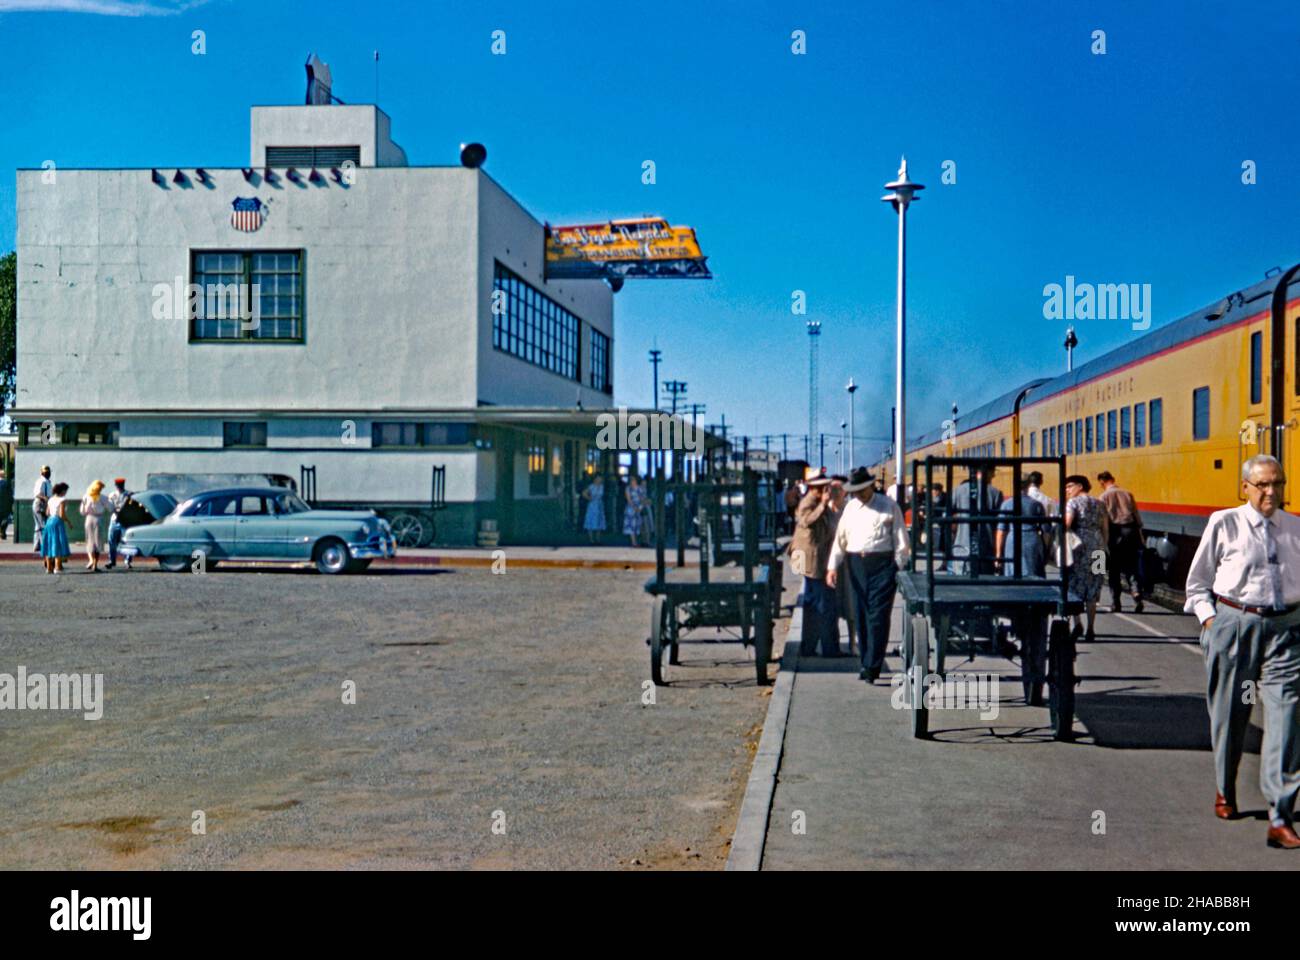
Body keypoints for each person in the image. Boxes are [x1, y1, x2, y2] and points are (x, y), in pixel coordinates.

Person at [1184, 454, 1300, 850]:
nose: (1272, 492)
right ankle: (1224, 788)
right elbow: (1197, 583)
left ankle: (1280, 815)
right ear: (1245, 487)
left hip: (1286, 631)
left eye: (1278, 484)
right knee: (1231, 714)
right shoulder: (1224, 523)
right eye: (1263, 485)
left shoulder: (1296, 528)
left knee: (1286, 719)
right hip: (1234, 626)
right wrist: (1210, 622)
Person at [827, 466, 910, 683]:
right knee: (861, 614)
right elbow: (840, 539)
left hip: (882, 564)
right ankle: (866, 662)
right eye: (855, 491)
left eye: (862, 490)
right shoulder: (851, 508)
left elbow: (901, 539)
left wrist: (897, 567)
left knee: (878, 616)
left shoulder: (889, 506)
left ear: (872, 485)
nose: (859, 495)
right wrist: (832, 567)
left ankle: (873, 666)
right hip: (856, 564)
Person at [995, 477, 1051, 703]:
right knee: (1033, 575)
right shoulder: (1037, 504)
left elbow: (1001, 531)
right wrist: (1046, 551)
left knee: (1013, 575)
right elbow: (1046, 531)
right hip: (1032, 542)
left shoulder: (1007, 504)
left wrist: (998, 556)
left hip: (1013, 542)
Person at [790, 468, 840, 657]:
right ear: (814, 488)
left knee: (816, 604)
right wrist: (823, 506)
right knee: (821, 605)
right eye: (823, 488)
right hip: (813, 562)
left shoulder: (818, 502)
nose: (826, 491)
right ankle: (827, 648)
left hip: (818, 560)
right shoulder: (808, 503)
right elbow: (806, 521)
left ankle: (813, 646)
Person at [1063, 474, 1108, 641]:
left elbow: (1067, 523)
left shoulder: (1073, 503)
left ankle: (1078, 624)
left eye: (1069, 486)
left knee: (1074, 586)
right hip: (1099, 549)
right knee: (1094, 588)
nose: (1067, 490)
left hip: (1079, 548)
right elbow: (1105, 529)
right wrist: (1103, 547)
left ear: (1080, 486)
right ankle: (1091, 628)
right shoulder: (1100, 503)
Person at [1098, 470, 1145, 613]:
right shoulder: (1127, 493)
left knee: (1114, 569)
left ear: (1102, 482)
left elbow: (1102, 519)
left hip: (1114, 533)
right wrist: (1140, 535)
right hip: (1130, 531)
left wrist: (1103, 539)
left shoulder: (1103, 497)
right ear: (1113, 479)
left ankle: (1116, 603)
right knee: (1131, 566)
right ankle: (1136, 594)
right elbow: (1136, 515)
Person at [948, 463, 1004, 576]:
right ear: (987, 472)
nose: (993, 475)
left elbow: (948, 516)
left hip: (962, 548)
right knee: (985, 583)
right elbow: (999, 523)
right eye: (992, 472)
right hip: (986, 549)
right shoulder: (995, 493)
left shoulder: (958, 490)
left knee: (962, 583)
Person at [828, 474, 858, 654]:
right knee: (831, 605)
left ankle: (852, 642)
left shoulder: (851, 510)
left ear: (845, 492)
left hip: (847, 562)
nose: (834, 491)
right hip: (827, 564)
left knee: (850, 604)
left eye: (838, 488)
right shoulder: (824, 510)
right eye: (831, 488)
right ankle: (833, 644)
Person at [41, 481, 71, 574]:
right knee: (58, 543)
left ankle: (49, 568)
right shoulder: (62, 500)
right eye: (65, 490)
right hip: (57, 522)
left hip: (49, 521)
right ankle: (58, 567)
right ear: (63, 491)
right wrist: (69, 522)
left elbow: (47, 513)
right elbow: (62, 514)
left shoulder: (50, 499)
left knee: (49, 543)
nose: (66, 492)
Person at [1026, 470, 1059, 552]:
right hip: (1042, 533)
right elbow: (1054, 520)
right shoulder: (1048, 500)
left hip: (1023, 533)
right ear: (1041, 482)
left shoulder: (1021, 498)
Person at [105, 477, 133, 569]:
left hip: (126, 520)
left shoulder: (129, 494)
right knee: (111, 540)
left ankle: (127, 561)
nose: (119, 487)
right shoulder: (112, 495)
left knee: (127, 541)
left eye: (121, 485)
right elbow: (110, 507)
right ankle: (112, 560)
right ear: (115, 486)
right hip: (114, 520)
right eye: (118, 485)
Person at [79, 480, 107, 572]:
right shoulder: (102, 497)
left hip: (88, 519)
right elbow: (110, 507)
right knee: (98, 542)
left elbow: (82, 512)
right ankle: (95, 564)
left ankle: (90, 560)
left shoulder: (86, 497)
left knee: (89, 541)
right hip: (98, 519)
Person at [623, 474, 648, 547]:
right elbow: (628, 499)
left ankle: (636, 541)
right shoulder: (628, 488)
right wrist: (633, 507)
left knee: (637, 525)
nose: (632, 482)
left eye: (633, 480)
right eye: (631, 480)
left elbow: (642, 499)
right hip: (630, 508)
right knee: (631, 525)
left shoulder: (640, 489)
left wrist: (640, 507)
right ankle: (634, 542)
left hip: (638, 507)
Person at [32, 465, 52, 553]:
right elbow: (37, 493)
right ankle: (44, 546)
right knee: (43, 524)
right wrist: (45, 499)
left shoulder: (48, 482)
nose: (47, 473)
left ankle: (37, 545)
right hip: (40, 503)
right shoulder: (41, 481)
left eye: (48, 472)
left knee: (38, 526)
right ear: (42, 473)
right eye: (45, 472)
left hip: (44, 503)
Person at [0, 468, 13, 542]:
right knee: (5, 519)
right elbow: (10, 494)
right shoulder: (7, 483)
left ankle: (1, 532)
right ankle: (3, 532)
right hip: (5, 505)